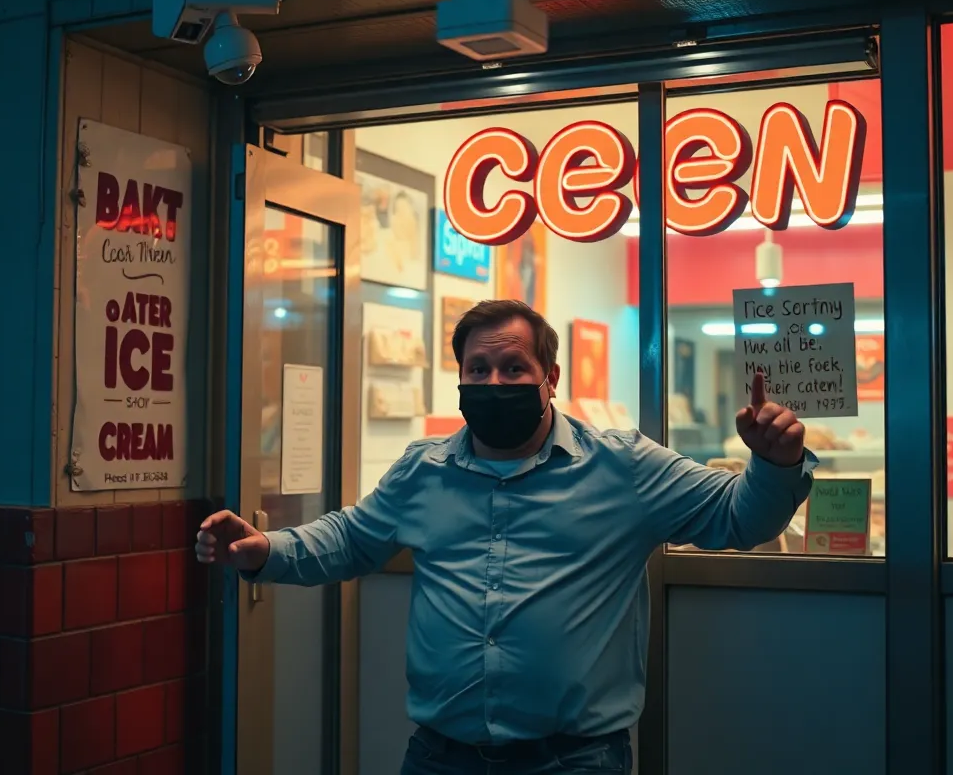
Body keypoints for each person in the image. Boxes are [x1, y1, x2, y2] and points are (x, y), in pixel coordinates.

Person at [196, 299, 816, 774]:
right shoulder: (423, 470)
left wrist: (774, 464)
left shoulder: (623, 466)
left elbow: (740, 518)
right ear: (461, 377)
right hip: (441, 756)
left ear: (551, 377)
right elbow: (351, 537)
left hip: (574, 761)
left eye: (514, 367)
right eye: (479, 368)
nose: (494, 382)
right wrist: (267, 549)